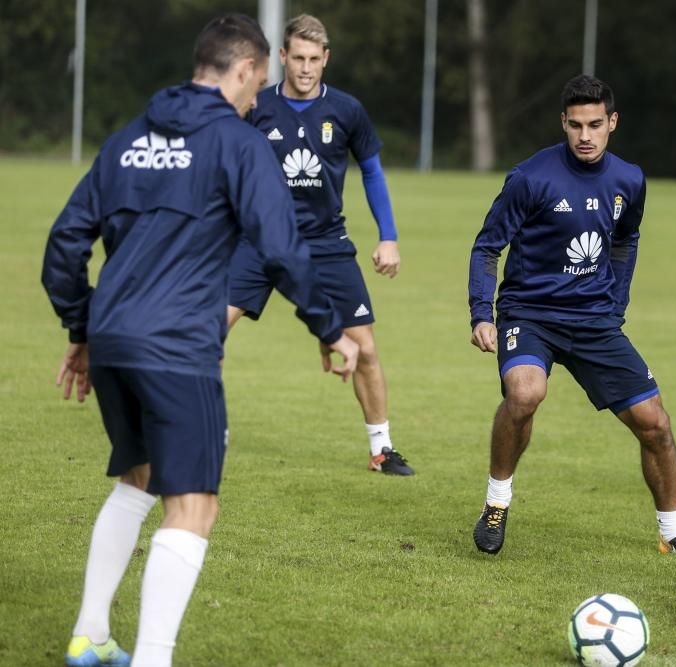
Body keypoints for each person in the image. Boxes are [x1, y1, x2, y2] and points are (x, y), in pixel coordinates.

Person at [42, 14, 358, 667]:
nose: (257, 101)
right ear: (243, 71)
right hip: (178, 348)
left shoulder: (128, 139)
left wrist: (83, 329)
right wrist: (330, 326)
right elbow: (281, 246)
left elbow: (62, 247)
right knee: (194, 506)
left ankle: (91, 633)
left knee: (138, 477)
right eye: (258, 85)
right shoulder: (239, 146)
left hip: (115, 340)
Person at [467, 74, 676, 558]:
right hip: (530, 314)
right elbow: (487, 246)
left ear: (612, 123)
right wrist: (482, 312)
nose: (585, 135)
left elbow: (625, 240)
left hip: (595, 321)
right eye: (575, 125)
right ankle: (497, 503)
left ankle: (674, 531)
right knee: (525, 393)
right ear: (563, 123)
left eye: (595, 124)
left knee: (655, 422)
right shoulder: (530, 178)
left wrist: (616, 303)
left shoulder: (629, 179)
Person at [226, 14, 412, 476]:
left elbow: (371, 171)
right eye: (298, 58)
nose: (306, 68)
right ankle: (205, 429)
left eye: (315, 59)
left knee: (365, 348)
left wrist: (388, 237)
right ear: (283, 57)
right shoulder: (256, 106)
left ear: (326, 59)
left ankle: (381, 449)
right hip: (261, 239)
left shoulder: (347, 110)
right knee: (207, 329)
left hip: (327, 241)